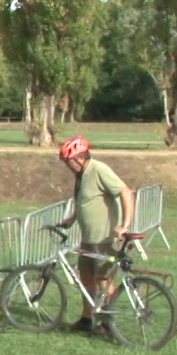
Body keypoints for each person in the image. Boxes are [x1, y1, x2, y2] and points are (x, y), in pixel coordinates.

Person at [57, 136, 135, 333]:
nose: (67, 166)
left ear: (79, 158)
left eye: (68, 162)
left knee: (103, 280)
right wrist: (73, 218)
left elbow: (126, 192)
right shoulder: (81, 175)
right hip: (88, 238)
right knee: (86, 278)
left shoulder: (98, 169)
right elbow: (86, 200)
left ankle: (110, 322)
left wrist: (125, 225)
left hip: (104, 238)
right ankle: (86, 319)